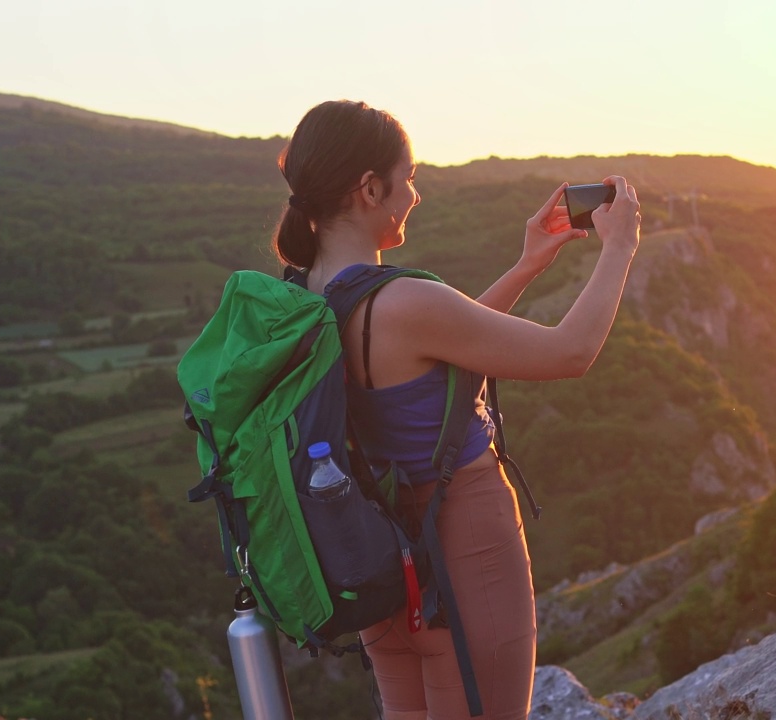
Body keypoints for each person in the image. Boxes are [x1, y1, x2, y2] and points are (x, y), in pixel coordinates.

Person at [271, 100, 640, 720]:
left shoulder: (303, 298)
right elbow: (570, 352)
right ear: (370, 188)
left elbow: (445, 353)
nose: (414, 194)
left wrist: (528, 264)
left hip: (378, 555)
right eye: (407, 177)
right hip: (465, 551)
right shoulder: (404, 301)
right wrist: (619, 248)